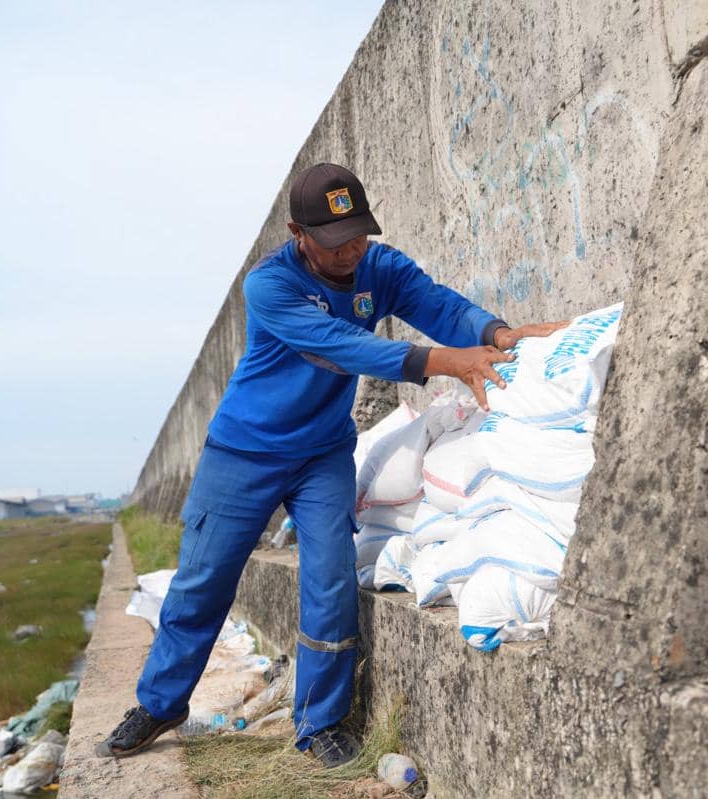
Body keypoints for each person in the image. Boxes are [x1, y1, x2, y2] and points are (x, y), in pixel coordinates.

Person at [97, 163, 565, 767]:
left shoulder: (379, 267)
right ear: (298, 232)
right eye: (334, 242)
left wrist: (495, 333)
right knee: (201, 582)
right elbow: (343, 345)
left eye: (359, 237)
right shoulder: (269, 286)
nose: (350, 252)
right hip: (244, 453)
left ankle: (319, 722)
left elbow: (436, 304)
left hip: (323, 453)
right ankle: (161, 703)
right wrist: (448, 362)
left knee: (332, 579)